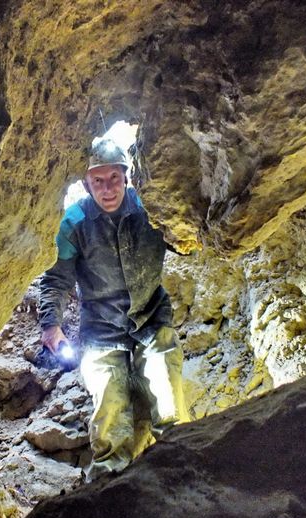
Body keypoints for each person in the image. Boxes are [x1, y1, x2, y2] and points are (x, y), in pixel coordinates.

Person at [39, 137, 190, 482]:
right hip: (101, 329)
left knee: (170, 406)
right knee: (109, 414)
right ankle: (109, 486)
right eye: (98, 181)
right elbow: (57, 279)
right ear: (86, 184)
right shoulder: (74, 223)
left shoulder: (150, 209)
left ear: (126, 177)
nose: (107, 189)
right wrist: (51, 325)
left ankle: (185, 474)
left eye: (114, 178)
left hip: (151, 318)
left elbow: (186, 236)